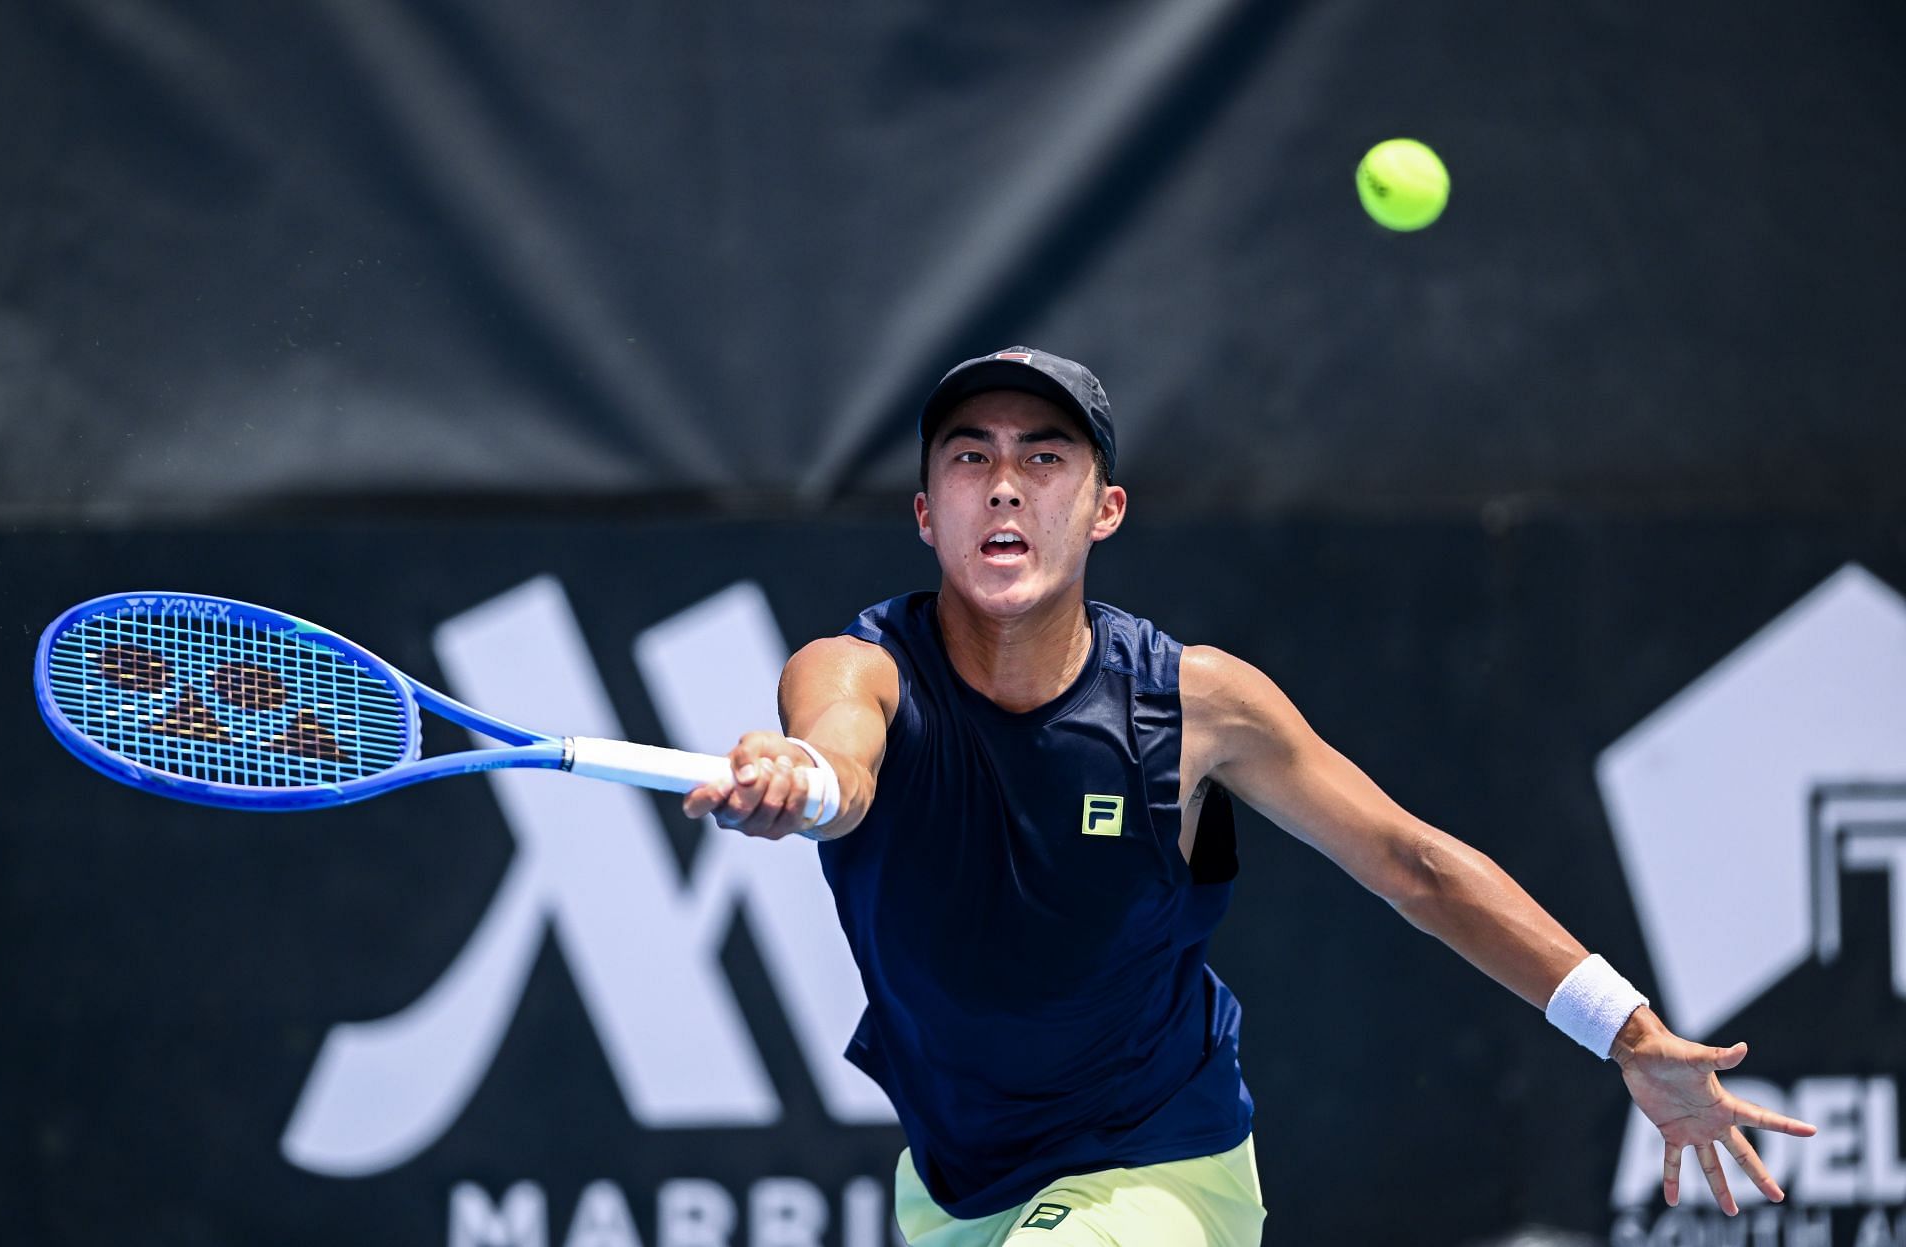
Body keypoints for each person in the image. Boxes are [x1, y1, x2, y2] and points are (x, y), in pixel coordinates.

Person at [681, 347, 1816, 1245]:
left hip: (1160, 1165)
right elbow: (842, 760)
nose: (1007, 485)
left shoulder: (1197, 703)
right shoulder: (852, 667)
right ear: (927, 513)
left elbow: (1412, 863)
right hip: (955, 1190)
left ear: (1105, 508)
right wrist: (804, 780)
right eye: (970, 459)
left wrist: (1625, 1028)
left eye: (1046, 457)